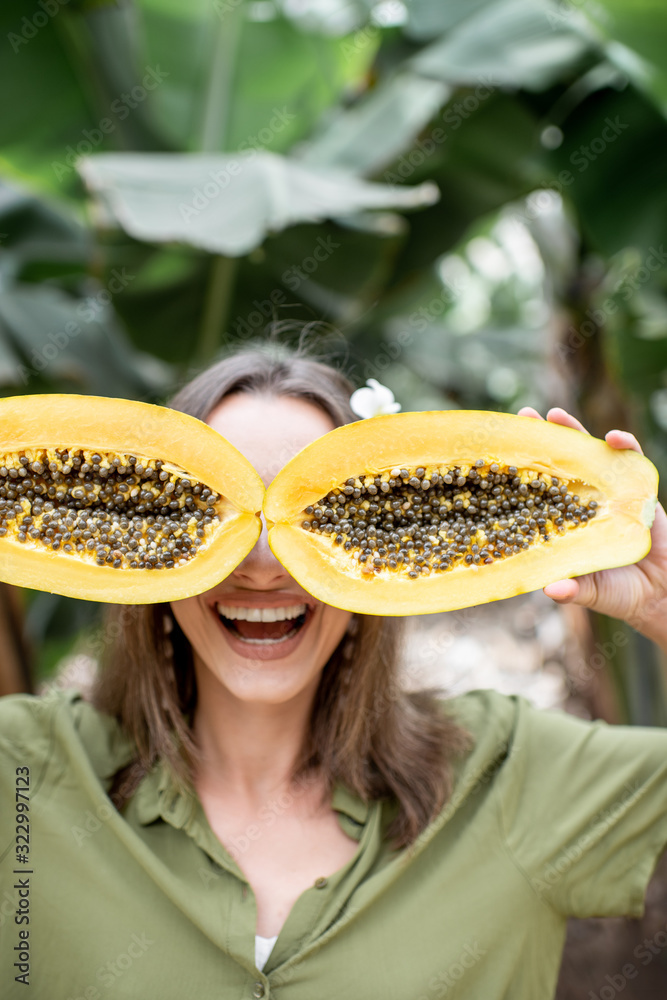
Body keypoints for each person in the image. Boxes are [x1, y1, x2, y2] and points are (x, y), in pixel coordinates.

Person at [1, 342, 666, 1000]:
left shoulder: (511, 774)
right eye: (205, 516)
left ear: (379, 567)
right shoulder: (22, 772)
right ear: (150, 573)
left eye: (313, 519)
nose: (261, 567)